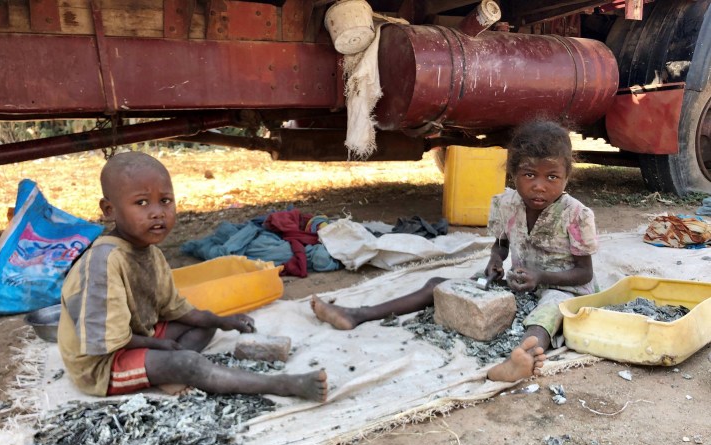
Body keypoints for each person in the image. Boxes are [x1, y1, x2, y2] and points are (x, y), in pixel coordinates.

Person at [311, 119, 598, 382]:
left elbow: (584, 273)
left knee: (547, 313)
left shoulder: (576, 215)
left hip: (564, 289)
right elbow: (502, 244)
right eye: (529, 174)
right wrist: (495, 260)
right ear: (513, 174)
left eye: (552, 177)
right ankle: (360, 313)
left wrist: (541, 276)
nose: (539, 186)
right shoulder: (506, 204)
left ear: (567, 177)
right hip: (521, 282)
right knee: (441, 285)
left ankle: (520, 359)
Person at [58, 151, 327, 402]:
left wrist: (224, 321)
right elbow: (108, 340)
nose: (157, 212)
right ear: (109, 210)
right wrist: (162, 347)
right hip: (103, 362)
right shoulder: (103, 263)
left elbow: (175, 309)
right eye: (141, 203)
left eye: (165, 201)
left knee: (205, 323)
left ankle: (165, 369)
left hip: (139, 334)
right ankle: (281, 385)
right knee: (188, 363)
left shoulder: (150, 253)